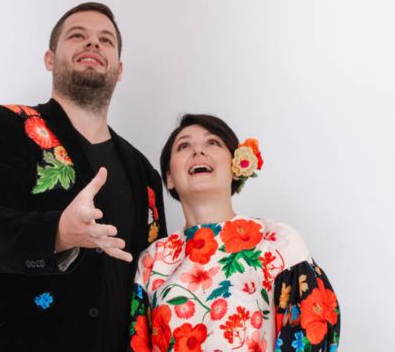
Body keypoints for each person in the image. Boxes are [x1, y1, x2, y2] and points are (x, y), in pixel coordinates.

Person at [0, 2, 166, 351]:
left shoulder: (143, 172)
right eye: (77, 35)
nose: (93, 43)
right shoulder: (6, 125)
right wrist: (58, 233)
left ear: (119, 69)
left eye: (106, 40)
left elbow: (152, 278)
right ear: (50, 58)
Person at [129, 114, 340, 352]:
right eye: (184, 146)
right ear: (169, 178)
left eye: (213, 143)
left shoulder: (278, 244)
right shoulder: (153, 260)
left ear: (236, 166)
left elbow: (311, 337)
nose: (198, 151)